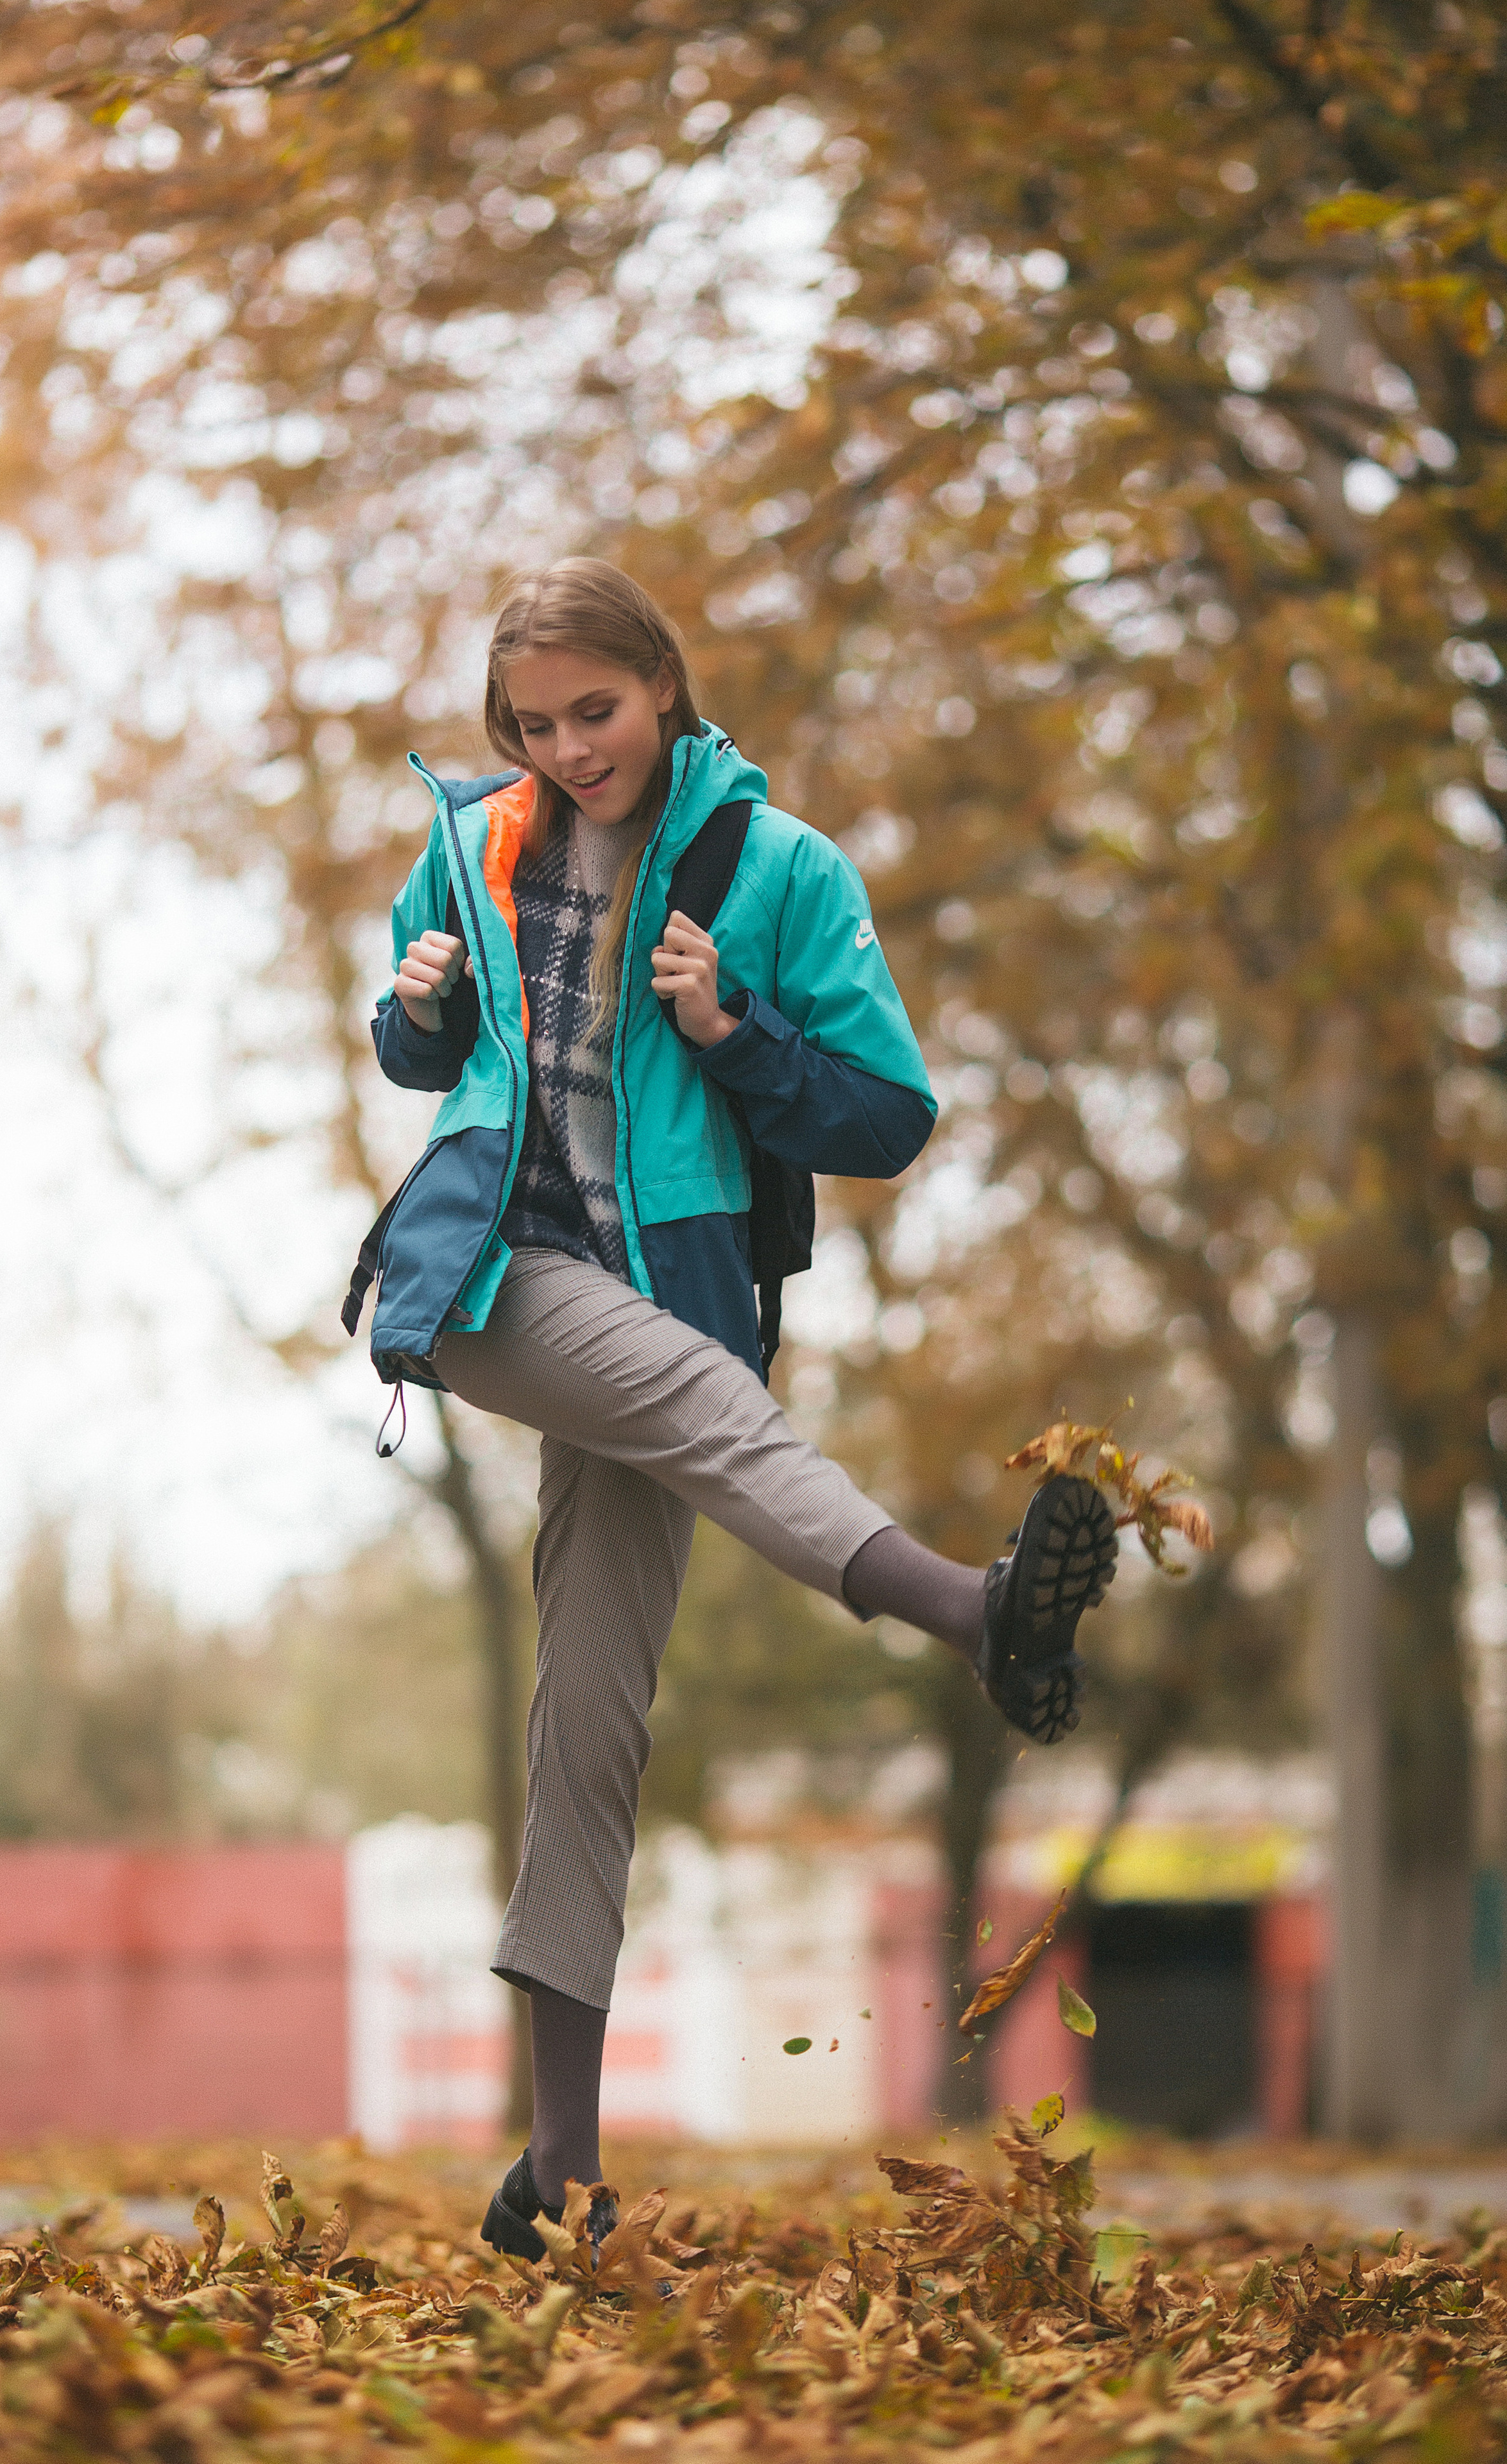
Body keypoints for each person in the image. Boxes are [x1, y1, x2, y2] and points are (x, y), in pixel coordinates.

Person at [357, 558, 1117, 2261]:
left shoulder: (782, 872)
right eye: (534, 725)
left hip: (670, 1290)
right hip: (489, 1278)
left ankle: (554, 2182)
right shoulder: (474, 846)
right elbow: (429, 1059)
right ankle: (972, 1611)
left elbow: (888, 1114)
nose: (568, 751)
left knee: (592, 1725)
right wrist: (411, 1014)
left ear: (665, 687)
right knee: (721, 1419)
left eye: (595, 713)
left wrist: (733, 1025)